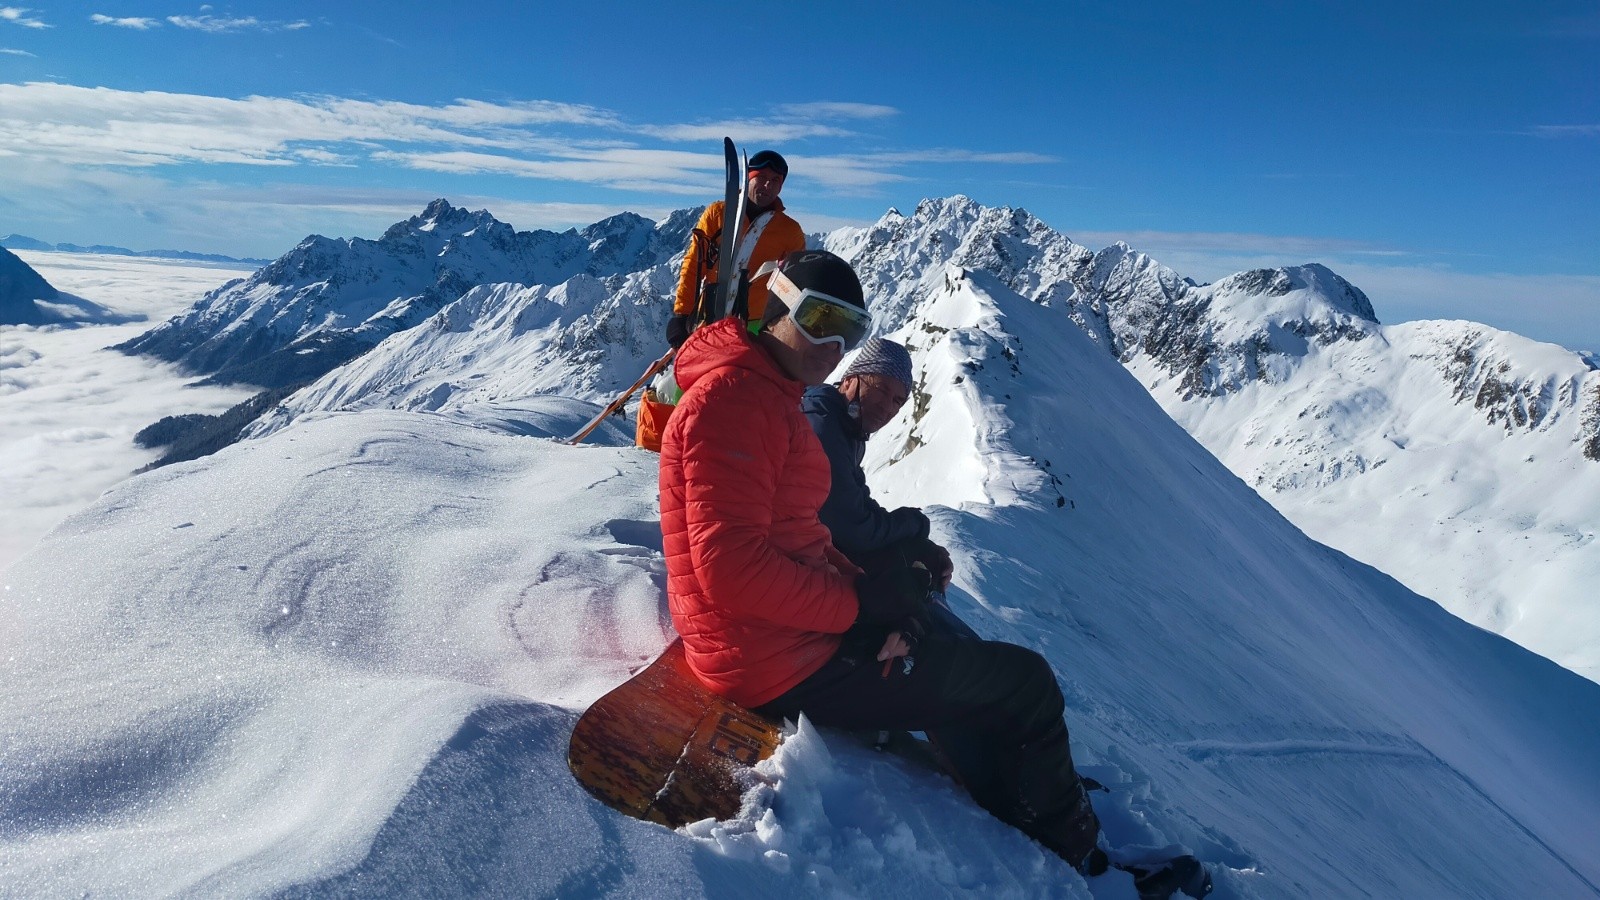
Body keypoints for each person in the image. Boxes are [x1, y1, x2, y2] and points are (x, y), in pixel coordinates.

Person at [658, 249, 1109, 877]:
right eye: (819, 318)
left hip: (779, 638)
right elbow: (732, 570)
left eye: (852, 328)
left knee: (933, 635)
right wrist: (859, 605)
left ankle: (1014, 773)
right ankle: (1077, 850)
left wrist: (868, 591)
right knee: (1025, 682)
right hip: (771, 661)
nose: (833, 342)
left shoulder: (768, 393)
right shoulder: (734, 401)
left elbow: (799, 533)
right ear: (777, 305)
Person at [668, 149, 806, 348]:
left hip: (758, 325)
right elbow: (694, 266)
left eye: (775, 180)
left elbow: (793, 284)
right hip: (709, 316)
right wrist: (682, 314)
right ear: (748, 178)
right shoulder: (718, 214)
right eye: (762, 177)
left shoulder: (790, 231)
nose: (768, 185)